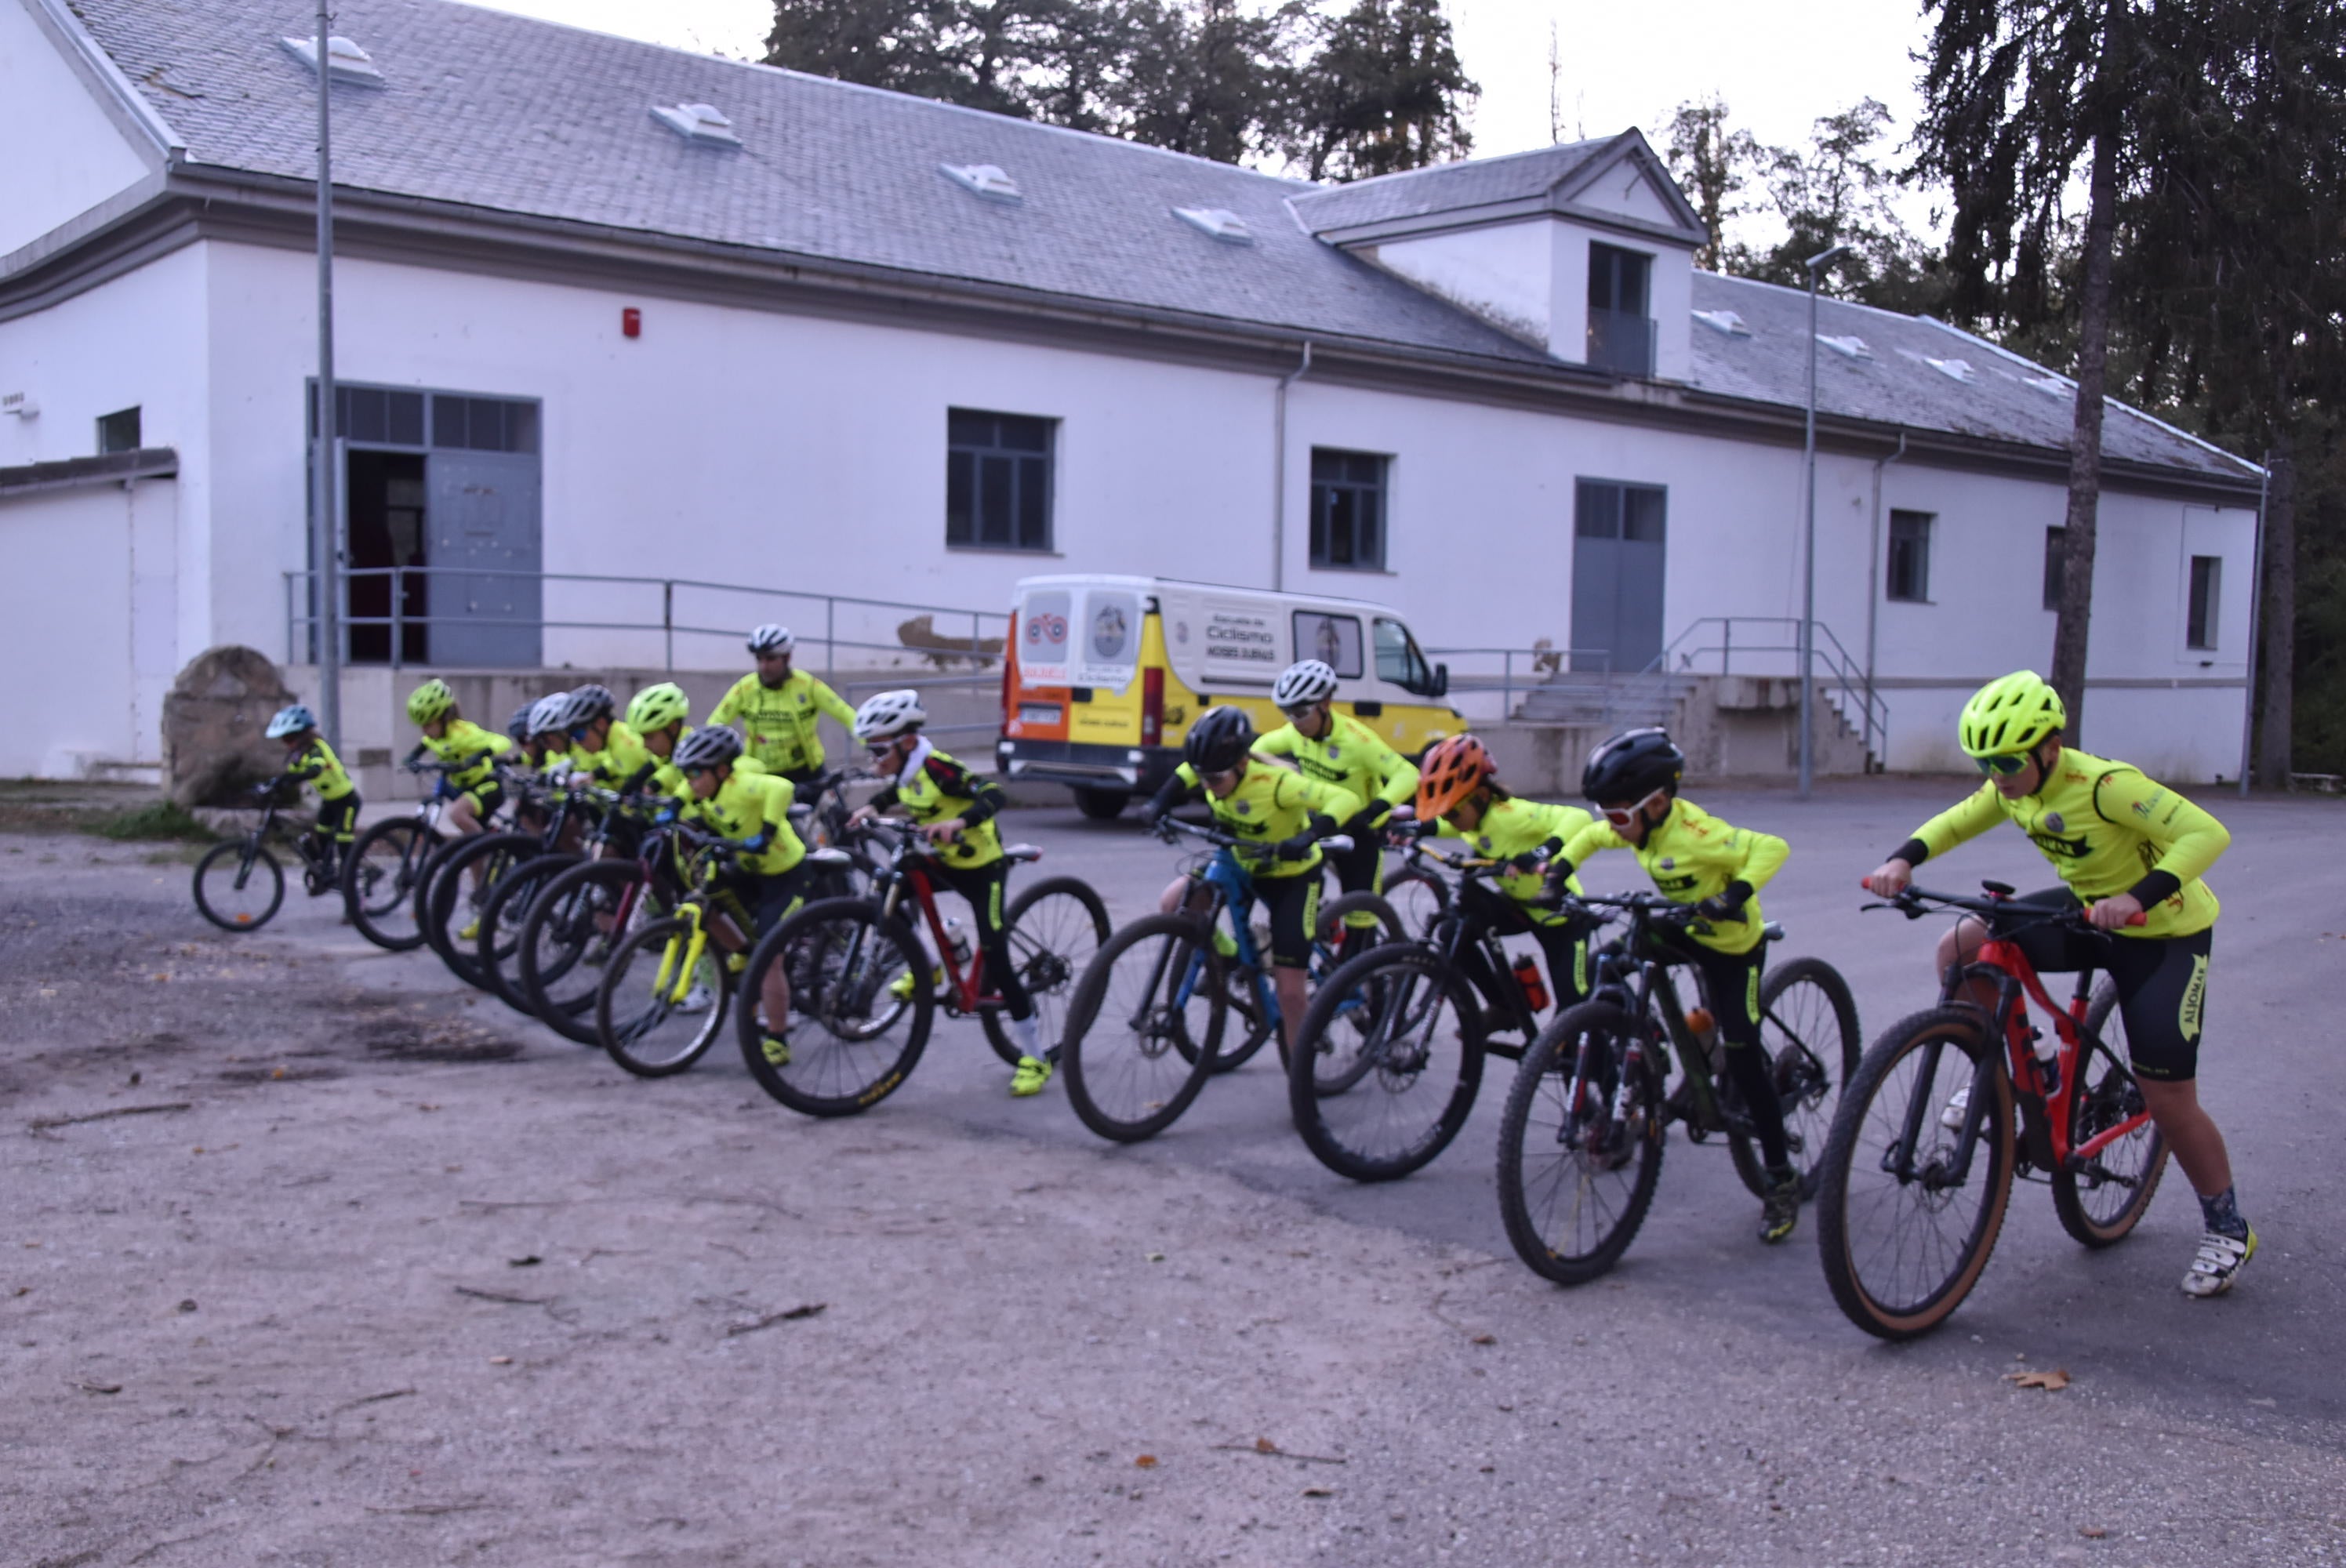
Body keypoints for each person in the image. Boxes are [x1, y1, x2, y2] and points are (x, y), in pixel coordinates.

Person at [1861, 670, 2253, 1298]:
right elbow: (1960, 820)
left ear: (2050, 746)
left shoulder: (2104, 786)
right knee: (1962, 947)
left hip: (2165, 933)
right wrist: (1902, 859)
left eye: (2010, 760)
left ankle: (2228, 1228)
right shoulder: (2010, 786)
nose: (1998, 774)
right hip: (2090, 911)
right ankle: (2034, 1063)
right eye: (1986, 762)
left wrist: (2136, 897)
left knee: (2168, 1101)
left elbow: (2207, 833)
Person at [1553, 727, 1801, 1245]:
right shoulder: (1636, 827)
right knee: (1608, 964)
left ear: (1659, 802)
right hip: (1685, 927)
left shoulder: (1698, 835)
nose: (1611, 826)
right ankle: (1645, 1045)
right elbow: (1591, 837)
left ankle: (1780, 1179)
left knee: (1742, 1049)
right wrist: (1558, 870)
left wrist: (1733, 896)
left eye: (1619, 815)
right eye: (1607, 813)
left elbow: (1772, 848)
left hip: (1732, 947)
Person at [846, 689, 1051, 1097]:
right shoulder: (907, 771)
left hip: (983, 868)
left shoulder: (939, 768)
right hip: (946, 861)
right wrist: (872, 807)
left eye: (880, 749)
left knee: (995, 954)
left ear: (907, 742)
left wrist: (958, 824)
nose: (875, 759)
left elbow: (994, 795)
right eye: (870, 751)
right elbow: (901, 792)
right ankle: (931, 964)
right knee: (897, 883)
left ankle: (1034, 1056)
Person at [1137, 706, 1360, 1056]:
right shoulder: (1215, 770)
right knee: (1174, 902)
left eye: (1215, 780)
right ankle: (1230, 955)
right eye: (1203, 778)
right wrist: (1159, 802)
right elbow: (1188, 772)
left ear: (1242, 764)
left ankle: (1301, 1079)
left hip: (1291, 875)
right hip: (1242, 861)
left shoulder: (1277, 785)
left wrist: (1308, 837)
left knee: (1289, 992)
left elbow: (1345, 798)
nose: (1207, 786)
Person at [1411, 733, 1592, 1029]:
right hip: (1520, 907)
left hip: (1560, 917)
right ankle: (1504, 1005)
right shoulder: (1472, 818)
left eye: (1452, 811)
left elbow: (1579, 818)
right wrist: (1418, 826)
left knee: (1572, 1018)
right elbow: (1450, 826)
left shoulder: (1511, 816)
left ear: (1482, 796)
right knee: (1452, 931)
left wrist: (1542, 852)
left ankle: (1606, 1069)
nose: (1449, 818)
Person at [1253, 659, 1419, 952]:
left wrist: (1374, 810)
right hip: (1324, 825)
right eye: (1287, 713)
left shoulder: (1357, 740)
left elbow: (1408, 774)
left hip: (1360, 834)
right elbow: (1255, 752)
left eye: (1301, 712)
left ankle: (1373, 989)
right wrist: (1282, 772)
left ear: (1326, 702)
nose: (1294, 721)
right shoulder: (1295, 733)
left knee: (1360, 924)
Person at [669, 725, 810, 1069]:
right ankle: (743, 952)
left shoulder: (742, 785)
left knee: (770, 955)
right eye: (686, 773)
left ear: (721, 770)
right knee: (707, 904)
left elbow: (782, 787)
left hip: (786, 874)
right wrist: (672, 808)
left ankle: (777, 1037)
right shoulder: (705, 788)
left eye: (696, 773)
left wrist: (766, 832)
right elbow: (685, 791)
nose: (690, 781)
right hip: (750, 868)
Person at [708, 625, 859, 786]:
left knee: (834, 809)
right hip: (761, 773)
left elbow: (846, 714)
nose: (764, 667)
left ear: (787, 657)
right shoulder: (744, 689)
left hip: (807, 771)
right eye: (759, 659)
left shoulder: (808, 685)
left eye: (771, 659)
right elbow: (715, 724)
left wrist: (875, 744)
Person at [404, 678, 514, 842]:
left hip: (486, 785)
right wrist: (412, 757)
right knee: (468, 839)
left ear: (443, 717)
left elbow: (503, 742)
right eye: (421, 726)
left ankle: (482, 847)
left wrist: (479, 755)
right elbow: (427, 743)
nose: (424, 730)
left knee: (457, 814)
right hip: (463, 787)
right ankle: (478, 860)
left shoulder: (463, 733)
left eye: (428, 724)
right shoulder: (436, 736)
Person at [263, 703, 358, 892]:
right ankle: (325, 877)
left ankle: (353, 899)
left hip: (346, 801)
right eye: (284, 739)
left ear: (303, 734)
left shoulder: (317, 748)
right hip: (330, 801)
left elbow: (315, 770)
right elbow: (289, 775)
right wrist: (273, 784)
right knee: (320, 840)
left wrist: (290, 779)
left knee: (344, 844)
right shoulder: (299, 754)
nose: (287, 743)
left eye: (290, 738)